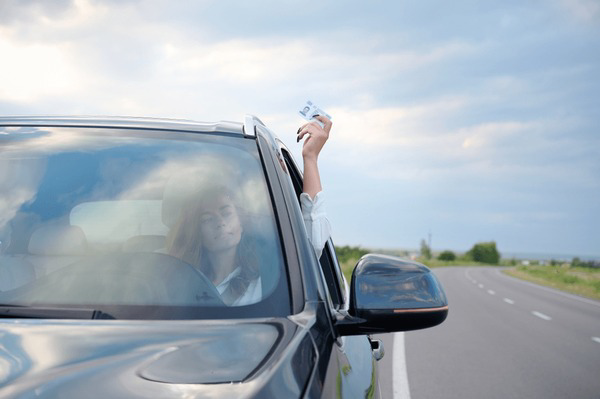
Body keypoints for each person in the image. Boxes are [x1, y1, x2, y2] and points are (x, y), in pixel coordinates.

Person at [167, 115, 332, 306]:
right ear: (197, 232)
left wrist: (310, 158)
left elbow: (310, 245)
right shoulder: (177, 284)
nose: (220, 222)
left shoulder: (273, 277)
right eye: (206, 218)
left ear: (241, 221)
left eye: (226, 212)